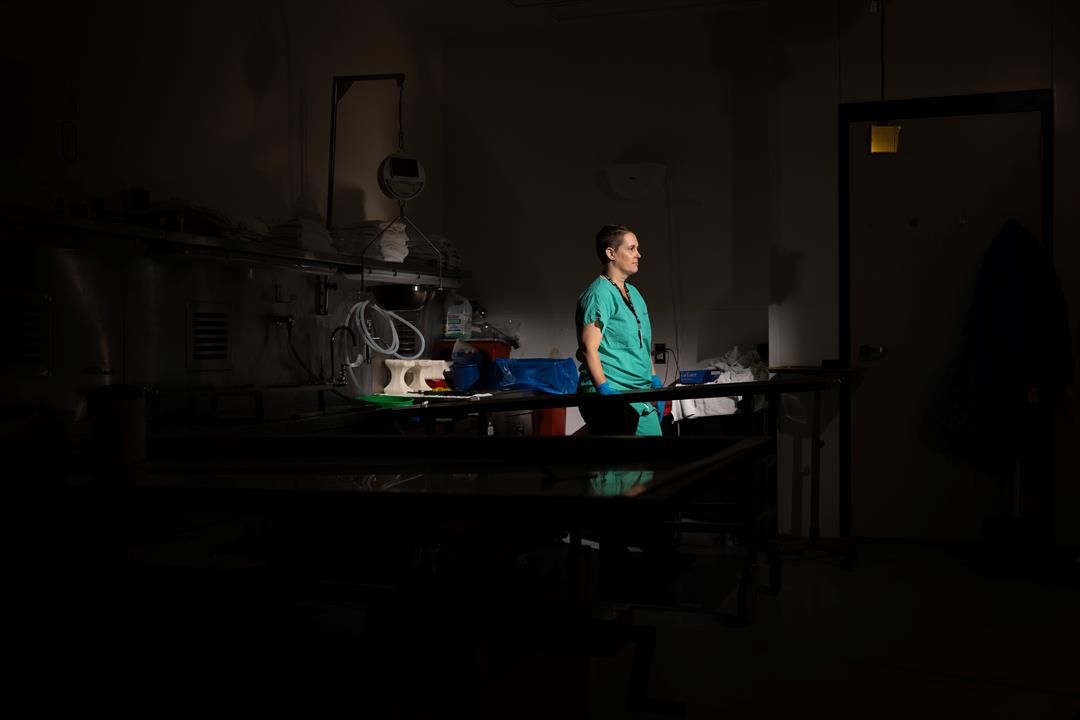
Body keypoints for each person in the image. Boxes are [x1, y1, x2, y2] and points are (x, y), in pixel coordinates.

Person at [575, 224, 665, 435]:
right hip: (614, 393)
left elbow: (641, 342)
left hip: (638, 393)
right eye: (631, 248)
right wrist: (604, 390)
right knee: (623, 456)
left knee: (655, 451)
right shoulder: (599, 294)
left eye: (637, 249)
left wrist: (654, 379)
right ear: (611, 253)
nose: (638, 254)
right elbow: (589, 348)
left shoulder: (634, 293)